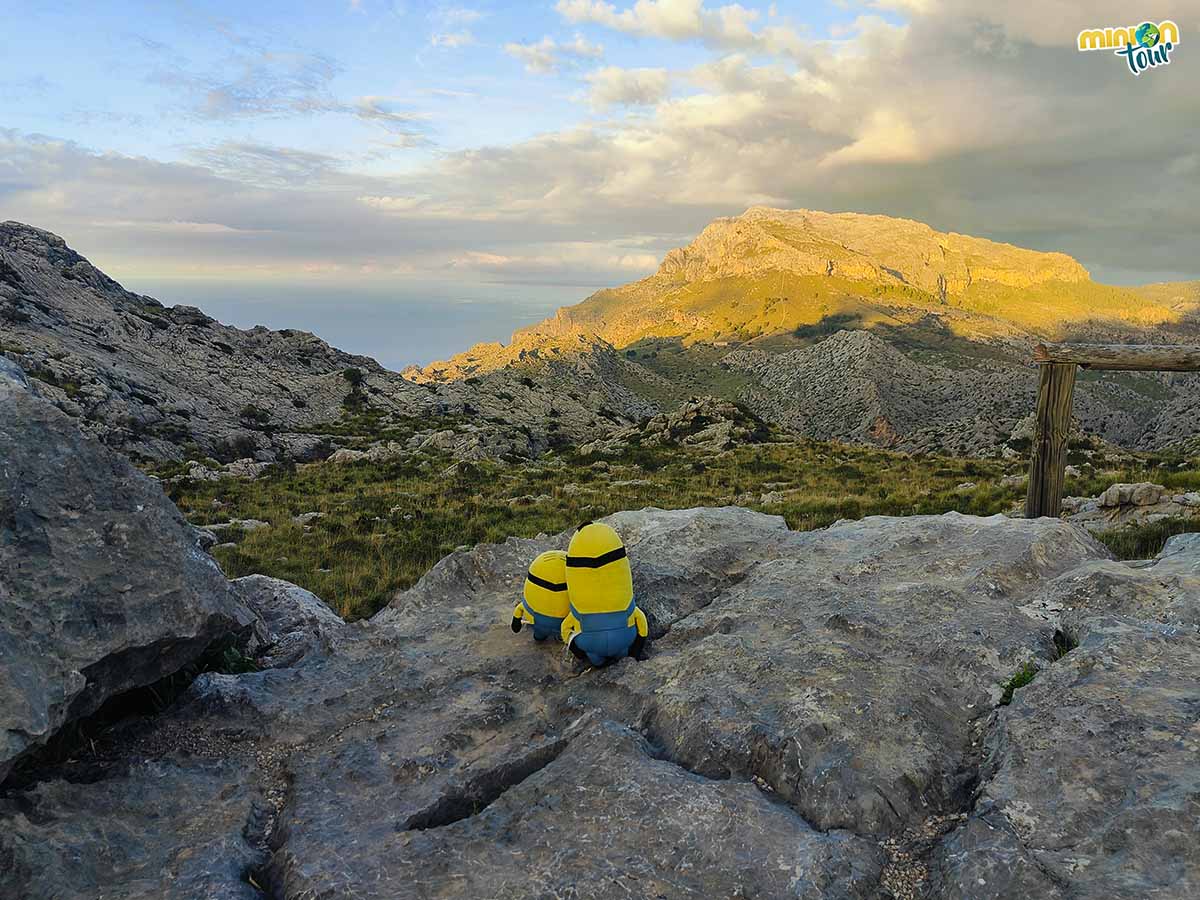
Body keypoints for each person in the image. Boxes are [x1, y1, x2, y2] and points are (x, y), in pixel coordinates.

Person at [560, 522, 648, 666]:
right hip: (624, 639)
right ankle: (623, 655)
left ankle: (597, 661)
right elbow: (641, 622)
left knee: (595, 658)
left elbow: (565, 629)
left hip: (590, 643)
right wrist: (636, 650)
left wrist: (578, 652)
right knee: (623, 651)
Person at [511, 550, 570, 641]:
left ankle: (539, 636)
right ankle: (562, 636)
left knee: (538, 635)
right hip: (565, 622)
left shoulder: (538, 568)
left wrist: (516, 622)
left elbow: (519, 611)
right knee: (565, 631)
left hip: (537, 622)